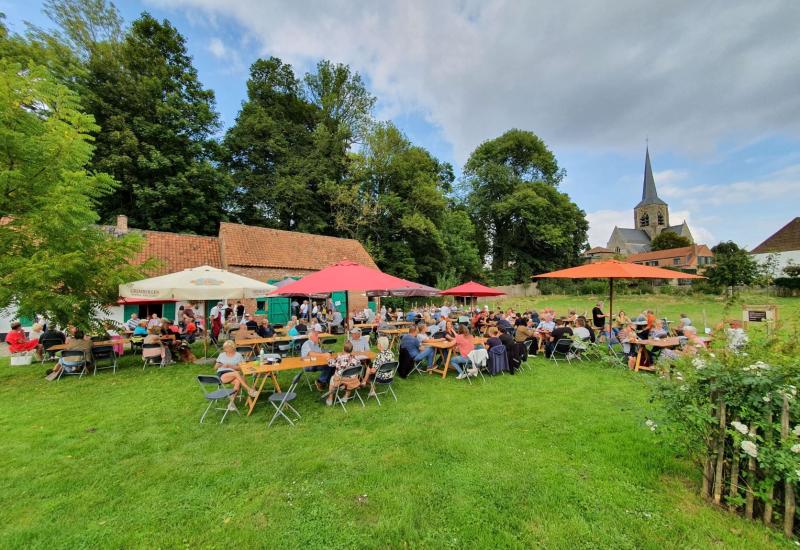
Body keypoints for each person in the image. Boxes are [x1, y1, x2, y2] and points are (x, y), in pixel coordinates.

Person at [215, 340, 257, 410]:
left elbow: (242, 368)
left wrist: (230, 366)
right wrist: (219, 365)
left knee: (238, 381)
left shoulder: (238, 355)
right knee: (237, 374)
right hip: (222, 375)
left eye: (228, 347)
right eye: (225, 348)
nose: (226, 349)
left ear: (233, 347)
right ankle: (249, 389)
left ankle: (231, 404)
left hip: (234, 374)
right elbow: (215, 368)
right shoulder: (221, 355)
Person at [325, 341, 362, 406]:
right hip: (353, 381)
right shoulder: (356, 358)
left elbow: (330, 364)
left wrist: (329, 359)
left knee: (332, 378)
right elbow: (359, 365)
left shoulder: (339, 358)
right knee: (350, 374)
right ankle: (346, 397)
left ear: (343, 349)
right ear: (352, 350)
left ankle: (330, 399)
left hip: (341, 381)